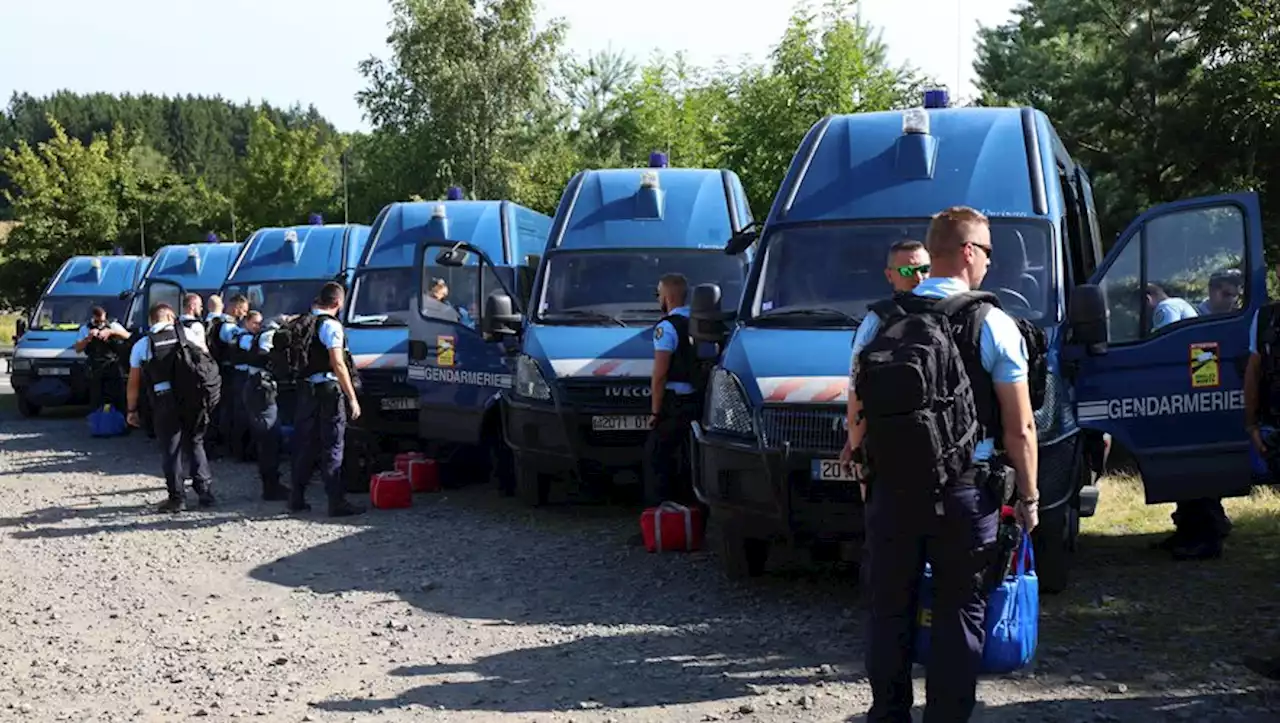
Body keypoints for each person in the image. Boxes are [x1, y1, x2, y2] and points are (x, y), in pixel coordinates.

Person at [843, 206, 1039, 723]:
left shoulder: (879, 320)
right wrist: (1029, 499)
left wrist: (866, 474)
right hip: (966, 492)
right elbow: (1020, 426)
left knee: (889, 610)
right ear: (970, 252)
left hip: (891, 486)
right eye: (990, 253)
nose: (991, 265)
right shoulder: (992, 322)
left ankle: (887, 715)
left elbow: (857, 410)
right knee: (960, 610)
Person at [125, 302, 214, 512]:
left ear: (151, 320)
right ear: (171, 316)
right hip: (192, 398)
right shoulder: (189, 335)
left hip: (164, 400)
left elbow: (133, 382)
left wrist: (131, 410)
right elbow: (207, 362)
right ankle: (205, 492)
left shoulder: (143, 345)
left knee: (170, 448)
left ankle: (177, 498)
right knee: (195, 441)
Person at [289, 282, 364, 517]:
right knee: (333, 444)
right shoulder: (331, 326)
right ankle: (336, 501)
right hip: (328, 390)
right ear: (338, 303)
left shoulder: (303, 323)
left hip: (306, 390)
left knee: (307, 444)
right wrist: (352, 398)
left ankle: (297, 498)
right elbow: (338, 363)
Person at [643, 273, 704, 510]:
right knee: (688, 459)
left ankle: (658, 514)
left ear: (667, 296)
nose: (658, 298)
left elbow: (660, 375)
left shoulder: (667, 327)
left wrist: (655, 412)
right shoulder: (700, 322)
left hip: (673, 404)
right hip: (697, 400)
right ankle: (692, 512)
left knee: (656, 458)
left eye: (659, 293)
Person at [237, 311, 289, 501]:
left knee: (269, 437)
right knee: (269, 437)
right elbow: (263, 355)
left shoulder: (259, 336)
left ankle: (272, 484)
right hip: (261, 389)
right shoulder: (268, 336)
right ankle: (271, 488)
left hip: (257, 388)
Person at [209, 294, 250, 459]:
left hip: (221, 371)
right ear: (236, 308)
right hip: (228, 373)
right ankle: (232, 446)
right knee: (232, 410)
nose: (245, 314)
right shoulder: (228, 327)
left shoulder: (218, 323)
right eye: (244, 310)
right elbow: (242, 342)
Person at [74, 306, 130, 412]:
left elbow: (128, 336)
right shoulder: (85, 329)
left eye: (103, 321)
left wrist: (112, 332)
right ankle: (99, 420)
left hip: (113, 366)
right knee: (97, 398)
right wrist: (88, 338)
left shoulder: (113, 325)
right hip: (95, 368)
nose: (101, 323)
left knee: (117, 397)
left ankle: (118, 420)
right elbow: (78, 349)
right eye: (98, 321)